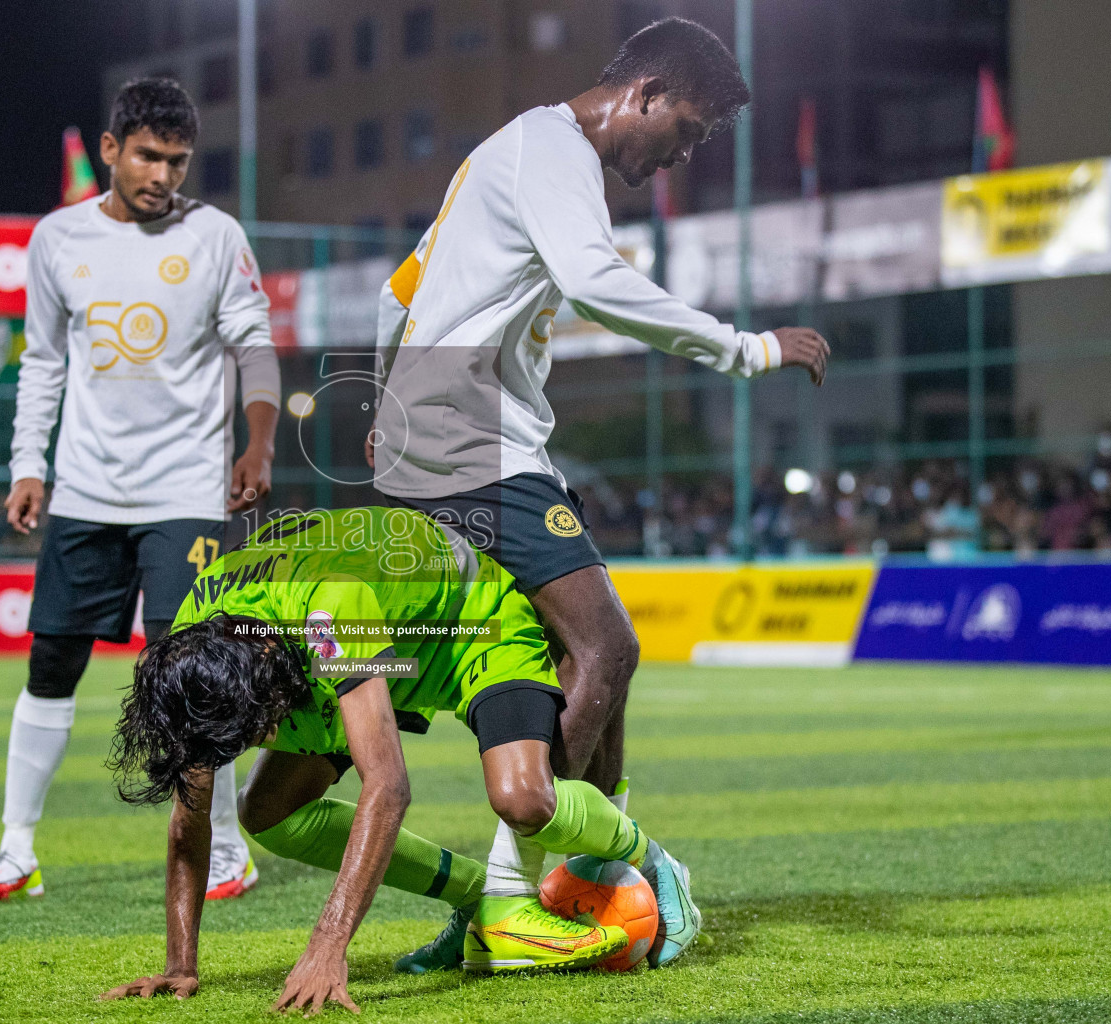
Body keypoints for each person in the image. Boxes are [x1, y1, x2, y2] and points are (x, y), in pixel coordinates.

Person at [368, 17, 830, 969]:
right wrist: (747, 349)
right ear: (648, 94)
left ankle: (573, 886)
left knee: (592, 677)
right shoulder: (555, 148)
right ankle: (509, 901)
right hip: (472, 439)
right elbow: (594, 282)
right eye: (688, 132)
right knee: (608, 645)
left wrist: (385, 396)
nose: (680, 156)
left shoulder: (509, 152)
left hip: (449, 428)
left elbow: (397, 288)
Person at [102, 507, 699, 1013]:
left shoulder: (328, 609)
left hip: (469, 623)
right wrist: (180, 965)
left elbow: (386, 786)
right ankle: (479, 895)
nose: (270, 738)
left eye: (264, 726)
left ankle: (652, 858)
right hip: (374, 632)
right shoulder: (193, 652)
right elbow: (190, 819)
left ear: (264, 667)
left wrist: (328, 945)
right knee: (268, 810)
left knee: (523, 798)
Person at [0, 78, 280, 904]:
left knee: (196, 672)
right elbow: (43, 363)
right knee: (51, 662)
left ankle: (227, 848)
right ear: (110, 150)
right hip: (88, 491)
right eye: (147, 156)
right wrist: (28, 465)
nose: (163, 175)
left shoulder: (215, 235)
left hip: (186, 490)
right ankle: (15, 851)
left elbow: (254, 344)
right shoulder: (57, 238)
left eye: (176, 161)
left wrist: (260, 442)